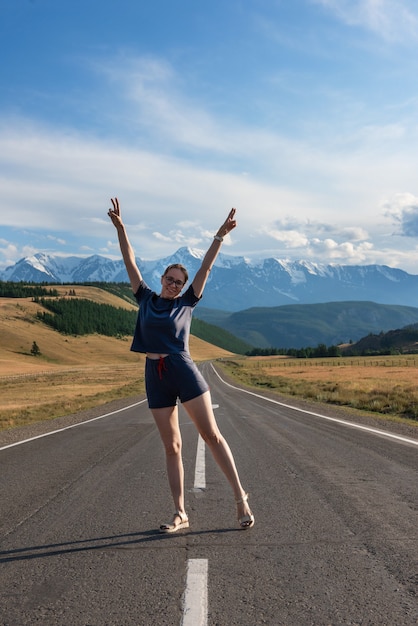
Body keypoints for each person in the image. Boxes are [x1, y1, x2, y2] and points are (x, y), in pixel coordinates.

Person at [108, 197, 254, 532]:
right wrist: (121, 229)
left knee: (210, 434)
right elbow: (129, 260)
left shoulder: (188, 302)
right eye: (170, 279)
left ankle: (240, 497)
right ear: (161, 278)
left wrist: (220, 235)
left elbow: (204, 268)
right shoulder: (144, 297)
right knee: (172, 446)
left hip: (182, 370)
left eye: (179, 281)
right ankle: (180, 513)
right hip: (154, 375)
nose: (174, 284)